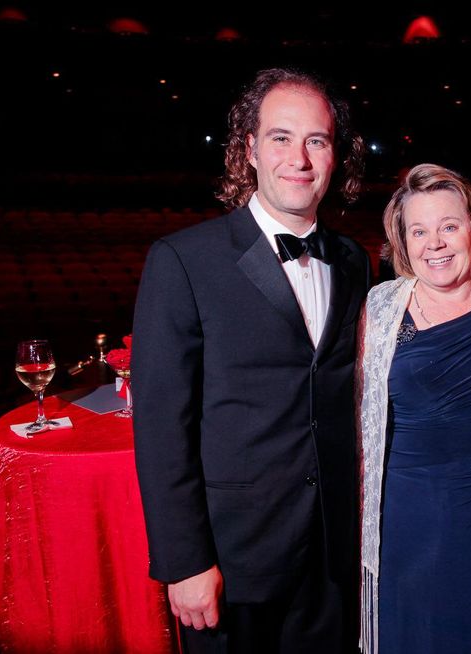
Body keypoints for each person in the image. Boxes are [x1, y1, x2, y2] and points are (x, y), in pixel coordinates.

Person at [132, 67, 370, 653]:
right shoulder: (183, 260)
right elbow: (162, 428)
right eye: (281, 138)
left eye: (317, 140)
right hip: (234, 562)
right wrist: (184, 562)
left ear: (335, 156)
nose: (300, 158)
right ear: (250, 151)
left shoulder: (354, 260)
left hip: (333, 556)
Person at [357, 163, 471, 653]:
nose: (435, 243)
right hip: (413, 512)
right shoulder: (379, 308)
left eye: (449, 226)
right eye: (419, 231)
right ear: (403, 242)